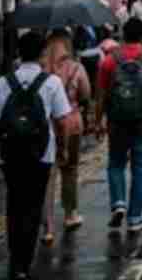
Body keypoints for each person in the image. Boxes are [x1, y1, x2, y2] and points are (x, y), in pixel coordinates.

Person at [0, 30, 75, 280]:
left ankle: (15, 259)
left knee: (14, 205)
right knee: (34, 208)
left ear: (19, 55)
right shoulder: (52, 83)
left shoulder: (3, 82)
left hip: (11, 155)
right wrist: (63, 149)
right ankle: (24, 263)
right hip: (41, 154)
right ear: (43, 54)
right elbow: (62, 121)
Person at [95, 18, 142, 234]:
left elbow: (100, 96)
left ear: (123, 36)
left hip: (116, 123)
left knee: (116, 165)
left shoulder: (109, 61)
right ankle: (135, 217)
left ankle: (118, 202)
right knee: (140, 170)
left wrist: (98, 121)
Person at [41, 28, 92, 241]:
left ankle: (48, 228)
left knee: (47, 176)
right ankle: (70, 214)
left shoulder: (41, 70)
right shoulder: (76, 68)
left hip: (47, 126)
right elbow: (86, 95)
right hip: (72, 123)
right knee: (70, 170)